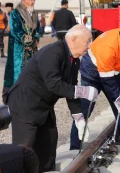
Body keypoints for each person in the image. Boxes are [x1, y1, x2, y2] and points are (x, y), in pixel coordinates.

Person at [4, 25, 99, 172]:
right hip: (25, 102)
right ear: (73, 39)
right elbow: (54, 85)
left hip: (44, 105)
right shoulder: (53, 52)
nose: (90, 45)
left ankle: (46, 170)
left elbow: (70, 88)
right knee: (25, 148)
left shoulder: (75, 60)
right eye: (87, 41)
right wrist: (84, 91)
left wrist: (79, 117)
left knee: (48, 142)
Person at [70, 19, 120, 150]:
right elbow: (107, 81)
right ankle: (74, 146)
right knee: (85, 108)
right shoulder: (109, 45)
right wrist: (117, 97)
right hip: (92, 74)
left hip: (111, 73)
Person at [2, 0, 41, 97]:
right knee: (18, 71)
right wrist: (30, 42)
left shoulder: (34, 13)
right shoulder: (16, 13)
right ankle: (16, 96)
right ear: (23, 0)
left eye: (33, 0)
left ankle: (31, 93)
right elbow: (15, 30)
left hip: (32, 49)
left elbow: (38, 29)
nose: (31, 2)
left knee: (33, 70)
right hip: (18, 48)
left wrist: (36, 38)